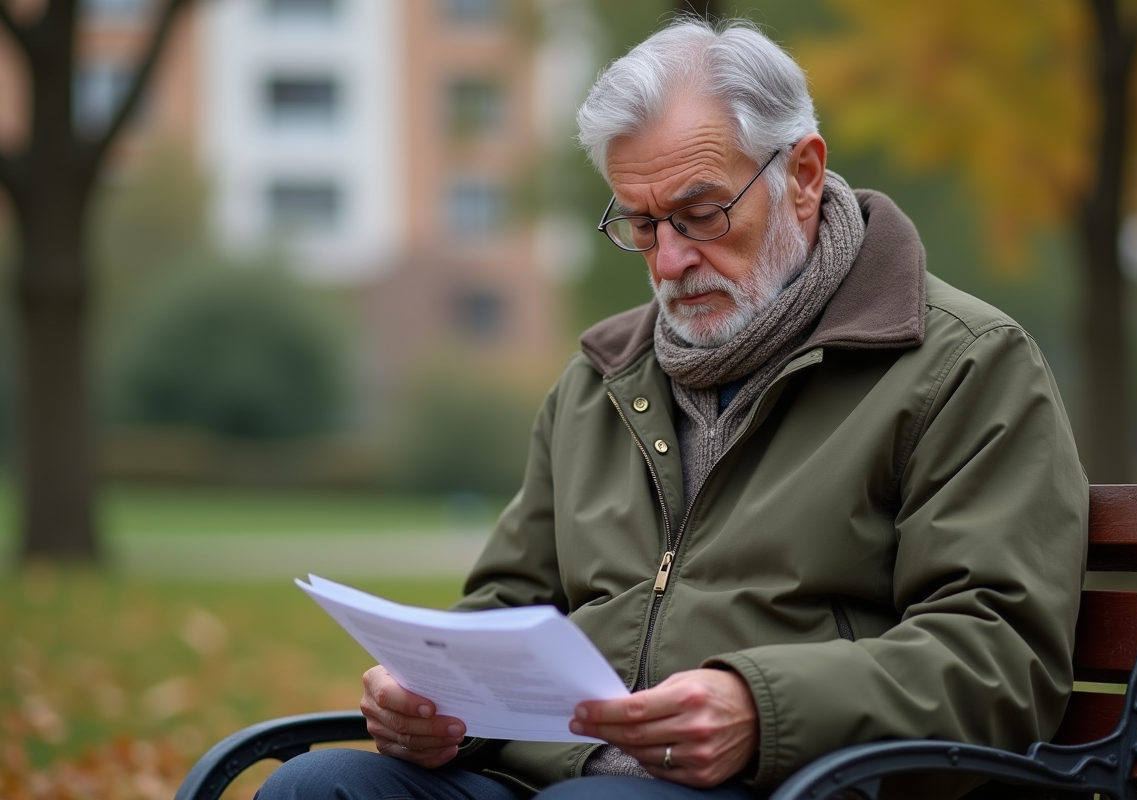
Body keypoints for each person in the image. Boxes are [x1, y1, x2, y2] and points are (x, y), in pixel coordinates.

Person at [258, 15, 1087, 800]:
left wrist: (763, 710)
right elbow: (511, 605)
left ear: (801, 176)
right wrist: (432, 692)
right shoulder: (598, 380)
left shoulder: (962, 363)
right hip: (559, 775)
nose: (671, 260)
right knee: (313, 787)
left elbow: (999, 653)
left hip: (798, 779)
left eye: (701, 213)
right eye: (643, 224)